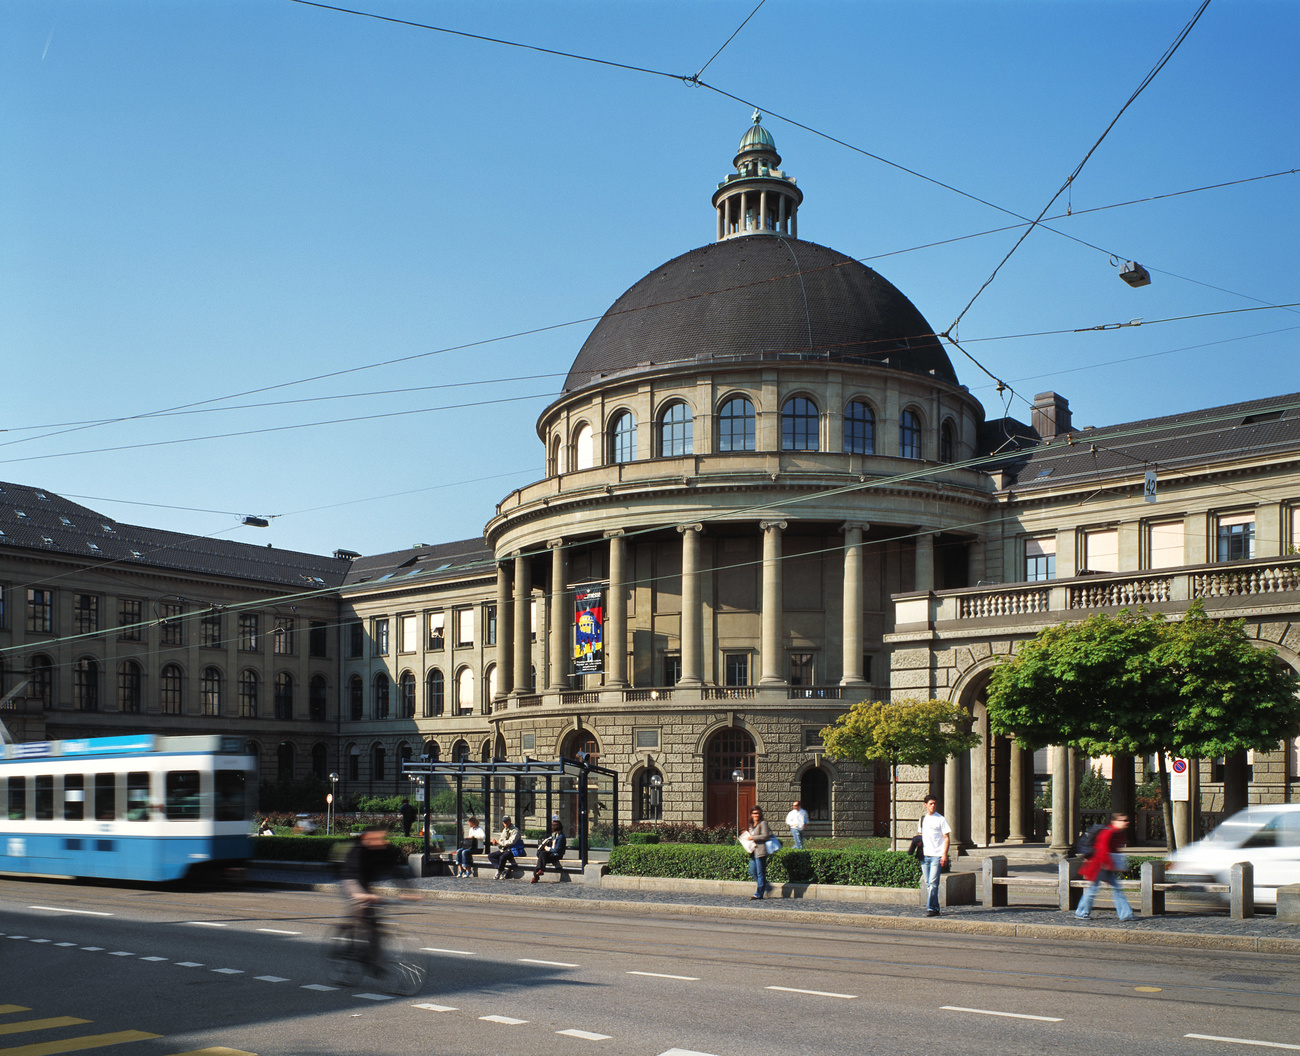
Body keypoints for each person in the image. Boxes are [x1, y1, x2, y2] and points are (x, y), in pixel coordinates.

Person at [339, 826, 420, 964]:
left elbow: (395, 872)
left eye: (382, 838)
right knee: (364, 912)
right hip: (351, 880)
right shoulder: (357, 850)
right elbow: (353, 877)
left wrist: (407, 891)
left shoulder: (384, 850)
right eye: (376, 838)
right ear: (366, 838)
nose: (380, 841)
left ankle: (373, 959)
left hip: (366, 883)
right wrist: (361, 895)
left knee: (374, 924)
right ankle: (353, 943)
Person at [1076, 812, 1135, 922]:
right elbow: (1102, 850)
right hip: (1098, 866)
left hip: (1104, 866)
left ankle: (1126, 914)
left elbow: (1113, 851)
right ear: (1115, 821)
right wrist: (1111, 865)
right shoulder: (1108, 833)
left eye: (1127, 820)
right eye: (1123, 820)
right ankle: (1081, 912)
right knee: (1093, 891)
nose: (1127, 822)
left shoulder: (1119, 833)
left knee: (1111, 890)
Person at [918, 794, 951, 917]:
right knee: (928, 883)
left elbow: (946, 838)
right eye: (931, 804)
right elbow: (921, 835)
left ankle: (931, 908)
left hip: (936, 855)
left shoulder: (941, 819)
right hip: (925, 855)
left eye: (935, 804)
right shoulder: (922, 819)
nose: (933, 806)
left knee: (933, 882)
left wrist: (944, 854)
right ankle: (935, 907)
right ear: (925, 805)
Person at [743, 806, 773, 901]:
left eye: (758, 813)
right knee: (752, 871)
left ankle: (759, 894)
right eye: (754, 813)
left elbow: (765, 836)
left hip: (760, 852)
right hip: (753, 851)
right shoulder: (752, 825)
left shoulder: (763, 823)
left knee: (760, 873)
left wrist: (753, 837)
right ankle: (767, 886)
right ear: (751, 815)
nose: (756, 815)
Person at [531, 819, 567, 883]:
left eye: (554, 825)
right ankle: (539, 872)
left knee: (541, 857)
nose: (552, 827)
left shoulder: (561, 837)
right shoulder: (555, 835)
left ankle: (536, 876)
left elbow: (557, 850)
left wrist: (548, 849)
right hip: (551, 854)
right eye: (552, 825)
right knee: (541, 856)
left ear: (558, 826)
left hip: (557, 855)